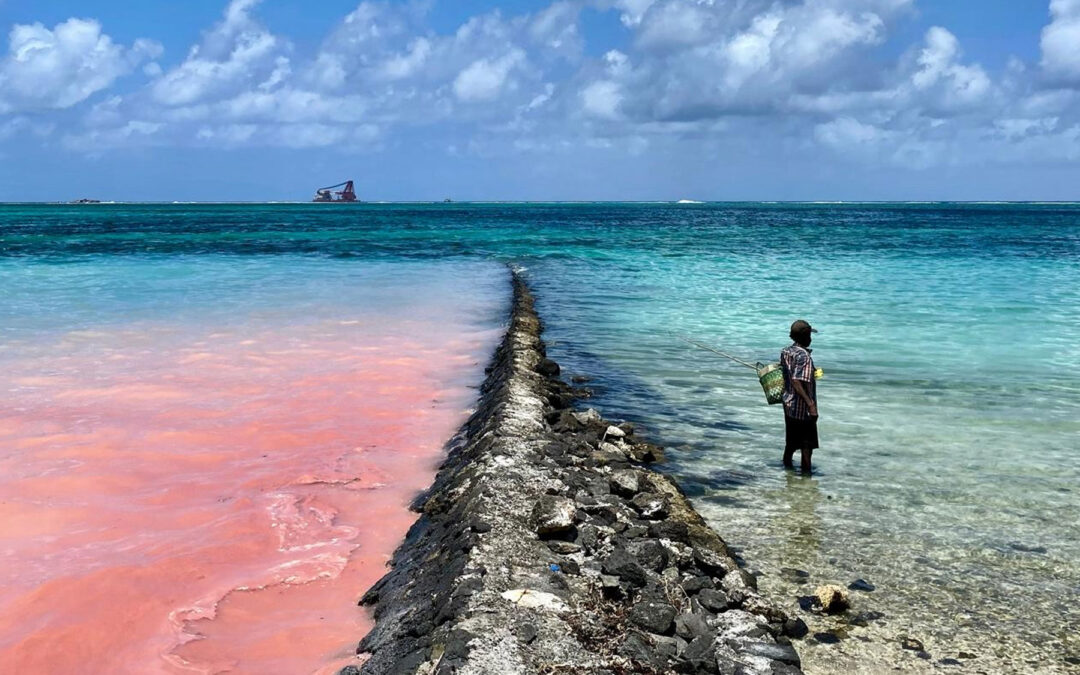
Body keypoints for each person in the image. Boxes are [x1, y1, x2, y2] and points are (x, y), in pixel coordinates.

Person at [780, 320, 818, 473]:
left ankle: (787, 474)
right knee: (806, 447)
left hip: (789, 404)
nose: (811, 338)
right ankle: (806, 481)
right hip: (802, 409)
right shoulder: (805, 357)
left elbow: (788, 375)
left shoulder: (786, 351)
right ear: (805, 336)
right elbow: (796, 381)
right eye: (809, 334)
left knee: (790, 443)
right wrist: (811, 405)